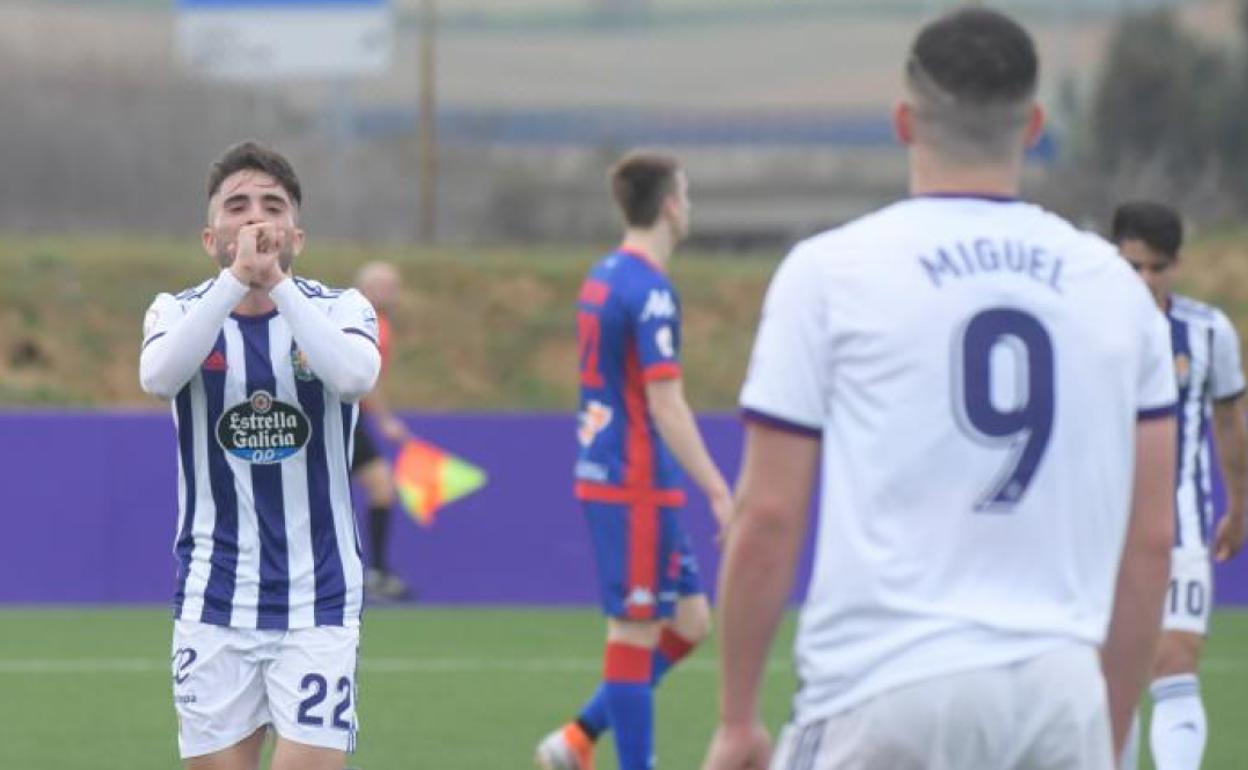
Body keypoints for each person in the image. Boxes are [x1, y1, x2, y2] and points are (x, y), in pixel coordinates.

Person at [702, 8, 1178, 770]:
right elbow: (1150, 541)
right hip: (1060, 694)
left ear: (903, 121)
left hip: (883, 686)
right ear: (1034, 126)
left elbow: (768, 516)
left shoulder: (831, 274)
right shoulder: (1117, 290)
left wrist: (736, 720)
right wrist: (1108, 733)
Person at [139, 141, 381, 770]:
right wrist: (235, 282)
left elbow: (354, 377)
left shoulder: (341, 308)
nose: (255, 218)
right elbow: (159, 377)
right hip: (214, 600)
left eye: (273, 207)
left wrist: (274, 283)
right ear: (210, 237)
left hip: (318, 599)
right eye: (237, 206)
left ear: (296, 235)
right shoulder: (176, 311)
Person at [535, 151, 734, 770]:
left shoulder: (603, 275)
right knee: (633, 631)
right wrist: (719, 490)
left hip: (617, 469)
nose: (688, 206)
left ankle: (576, 739)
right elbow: (666, 404)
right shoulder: (649, 291)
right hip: (633, 478)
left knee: (691, 621)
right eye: (686, 195)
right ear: (671, 206)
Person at [1111, 201, 1247, 770]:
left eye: (1157, 267)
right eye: (1134, 266)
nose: (1146, 279)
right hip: (1100, 529)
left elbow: (1230, 420)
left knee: (1174, 662)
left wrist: (1239, 506)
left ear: (1177, 265)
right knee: (1112, 676)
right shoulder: (1086, 327)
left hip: (1181, 525)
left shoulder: (1208, 331)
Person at [351, 260, 414, 600]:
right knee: (380, 488)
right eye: (381, 285)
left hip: (351, 418)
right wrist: (386, 420)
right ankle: (374, 572)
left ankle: (375, 572)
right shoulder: (367, 322)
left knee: (381, 489)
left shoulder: (378, 322)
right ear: (363, 288)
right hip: (345, 417)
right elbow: (366, 379)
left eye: (393, 285)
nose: (389, 292)